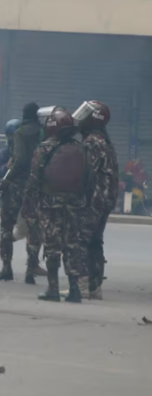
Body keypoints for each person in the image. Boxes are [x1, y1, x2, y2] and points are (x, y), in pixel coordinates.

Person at [23, 107, 90, 303]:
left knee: (52, 246)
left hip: (49, 204)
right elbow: (89, 180)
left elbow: (34, 179)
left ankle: (53, 289)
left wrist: (28, 204)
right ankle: (75, 290)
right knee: (72, 245)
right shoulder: (82, 149)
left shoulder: (43, 148)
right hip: (76, 204)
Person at [0, 103, 46, 283]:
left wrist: (7, 178)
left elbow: (19, 159)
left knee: (7, 226)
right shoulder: (43, 133)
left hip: (16, 186)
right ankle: (30, 269)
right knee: (34, 228)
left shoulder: (20, 133)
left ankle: (6, 268)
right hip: (35, 186)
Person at [75, 101, 118, 300]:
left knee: (81, 240)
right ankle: (94, 288)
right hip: (104, 199)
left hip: (93, 199)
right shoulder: (104, 140)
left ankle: (82, 286)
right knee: (95, 241)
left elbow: (84, 174)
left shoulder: (91, 142)